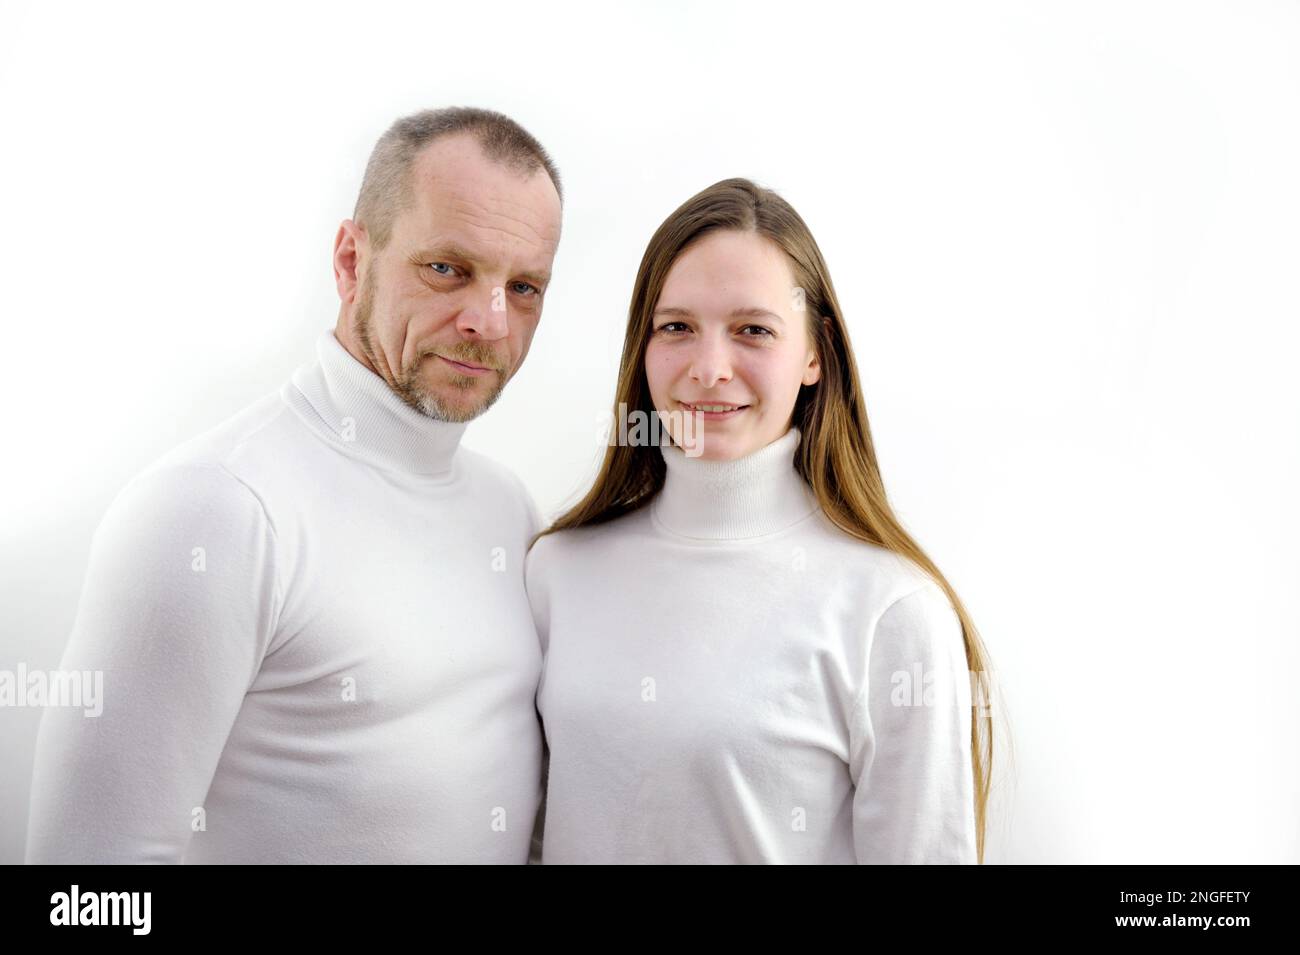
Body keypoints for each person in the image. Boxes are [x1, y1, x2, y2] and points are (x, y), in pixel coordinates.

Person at [25, 106, 563, 863]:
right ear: (350, 261)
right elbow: (84, 892)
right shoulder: (214, 512)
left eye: (526, 286)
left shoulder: (509, 511)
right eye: (447, 269)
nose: (489, 320)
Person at [526, 178, 995, 864]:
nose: (710, 368)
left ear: (814, 353)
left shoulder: (892, 611)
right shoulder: (555, 572)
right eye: (677, 326)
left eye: (753, 330)